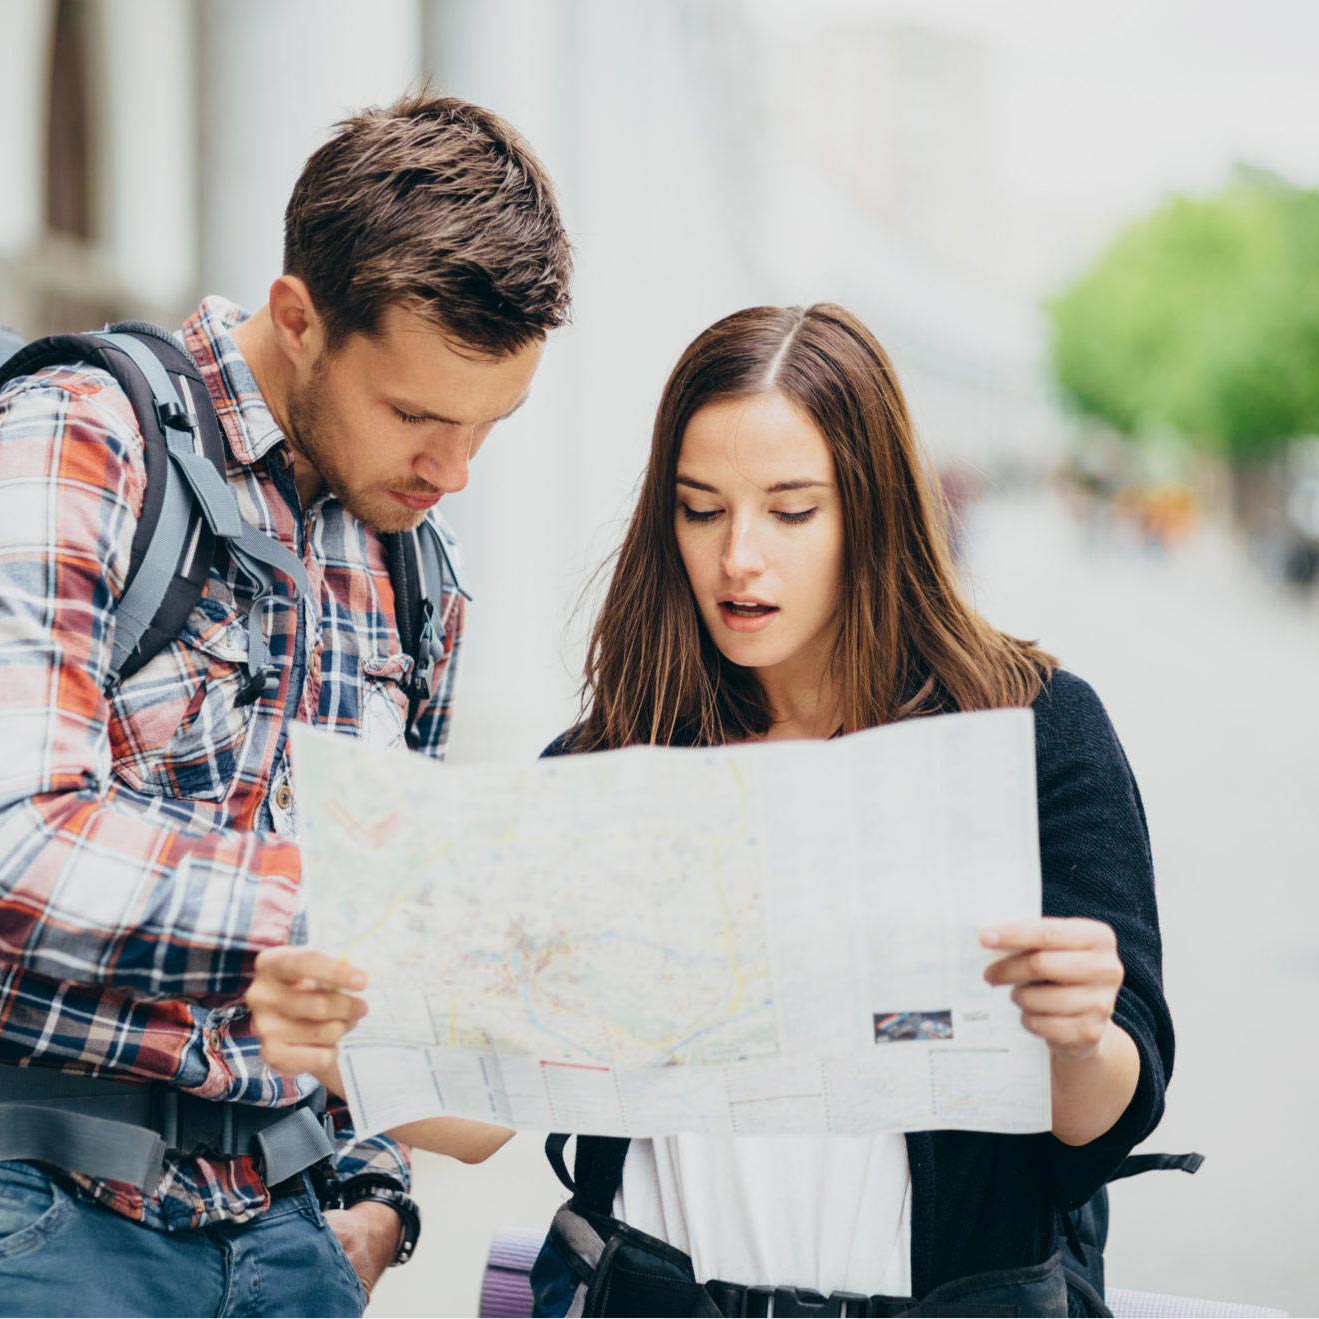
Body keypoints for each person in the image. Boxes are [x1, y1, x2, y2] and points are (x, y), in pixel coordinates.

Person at [0, 94, 572, 1318]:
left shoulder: (410, 569)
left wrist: (371, 1207)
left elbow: (358, 1015)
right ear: (298, 319)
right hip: (5, 1217)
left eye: (488, 427)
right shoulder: (71, 444)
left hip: (281, 1238)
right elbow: (9, 849)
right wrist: (366, 911)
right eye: (417, 415)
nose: (452, 470)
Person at [249, 304, 1172, 1316]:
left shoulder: (1033, 728)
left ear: (873, 507)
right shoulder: (610, 764)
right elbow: (493, 1103)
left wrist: (1077, 1034)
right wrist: (344, 1045)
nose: (739, 557)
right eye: (701, 507)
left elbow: (1113, 1109)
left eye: (790, 509)